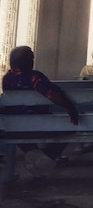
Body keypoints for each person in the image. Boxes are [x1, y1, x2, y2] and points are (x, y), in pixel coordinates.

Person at [2, 46, 79, 177]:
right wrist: (70, 108)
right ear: (27, 61)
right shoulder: (34, 77)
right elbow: (52, 93)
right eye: (31, 58)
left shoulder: (7, 78)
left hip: (13, 126)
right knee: (71, 126)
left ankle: (33, 152)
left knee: (22, 132)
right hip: (37, 125)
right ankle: (46, 156)